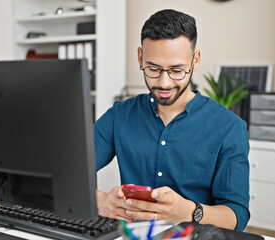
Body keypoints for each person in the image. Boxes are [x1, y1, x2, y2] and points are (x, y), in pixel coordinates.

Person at [94, 9, 250, 231]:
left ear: (195, 61)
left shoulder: (228, 127)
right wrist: (100, 202)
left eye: (177, 70)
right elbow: (69, 171)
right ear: (140, 57)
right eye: (153, 69)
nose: (164, 83)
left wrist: (188, 211)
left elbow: (237, 215)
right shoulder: (119, 116)